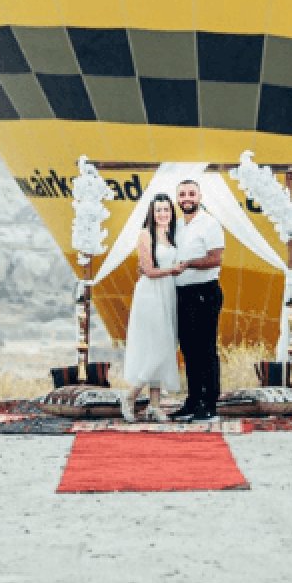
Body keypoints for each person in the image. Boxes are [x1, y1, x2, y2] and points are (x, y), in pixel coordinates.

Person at [120, 193, 184, 422]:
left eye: (166, 209)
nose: (163, 214)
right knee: (158, 345)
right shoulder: (145, 235)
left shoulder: (172, 235)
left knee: (165, 345)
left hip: (168, 292)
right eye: (158, 210)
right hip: (151, 293)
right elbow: (147, 269)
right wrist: (173, 270)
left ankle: (154, 405)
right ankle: (130, 396)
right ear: (152, 212)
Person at [170, 178, 225, 422]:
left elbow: (215, 259)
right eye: (182, 194)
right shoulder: (178, 226)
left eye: (191, 194)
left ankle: (210, 403)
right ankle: (193, 401)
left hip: (204, 291)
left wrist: (188, 264)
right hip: (183, 294)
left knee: (205, 349)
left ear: (200, 197)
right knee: (189, 350)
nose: (187, 198)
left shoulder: (210, 223)